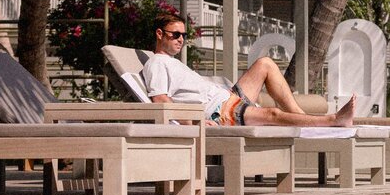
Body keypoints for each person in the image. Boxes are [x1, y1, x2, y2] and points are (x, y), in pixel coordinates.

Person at [142, 15, 355, 126]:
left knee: (266, 64)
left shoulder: (173, 62)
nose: (181, 39)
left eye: (183, 36)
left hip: (227, 100)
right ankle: (331, 120)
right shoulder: (157, 64)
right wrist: (192, 123)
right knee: (272, 114)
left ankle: (302, 118)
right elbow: (161, 101)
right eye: (175, 34)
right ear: (160, 34)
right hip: (219, 114)